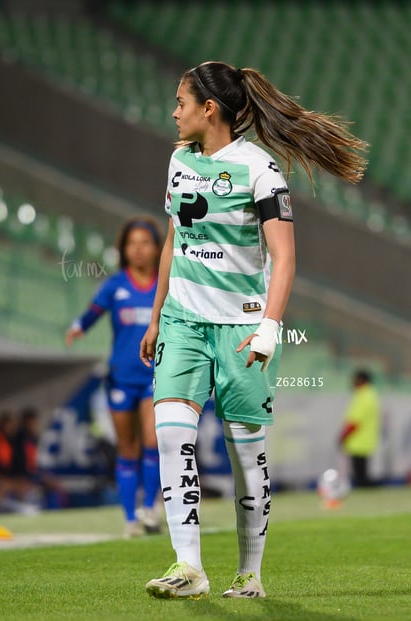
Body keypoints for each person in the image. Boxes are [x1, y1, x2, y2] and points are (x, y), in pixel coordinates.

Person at [140, 60, 368, 599]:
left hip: (242, 330)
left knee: (246, 458)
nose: (174, 113)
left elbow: (285, 258)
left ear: (209, 109)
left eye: (181, 102)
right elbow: (174, 240)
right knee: (172, 435)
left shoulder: (261, 171)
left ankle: (250, 574)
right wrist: (156, 316)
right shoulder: (178, 161)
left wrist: (269, 327)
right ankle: (187, 567)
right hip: (184, 321)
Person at [65, 216, 163, 536]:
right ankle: (129, 519)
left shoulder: (166, 284)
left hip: (154, 375)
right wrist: (78, 327)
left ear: (157, 247)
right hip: (121, 377)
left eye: (144, 242)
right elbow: (92, 313)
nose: (138, 249)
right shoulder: (115, 285)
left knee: (152, 440)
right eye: (131, 243)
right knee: (127, 447)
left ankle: (150, 508)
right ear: (123, 249)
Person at [339, 370, 381, 487]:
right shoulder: (371, 394)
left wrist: (343, 436)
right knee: (362, 473)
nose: (352, 382)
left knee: (361, 477)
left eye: (355, 379)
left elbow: (355, 422)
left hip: (358, 440)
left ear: (361, 380)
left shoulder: (363, 396)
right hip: (365, 440)